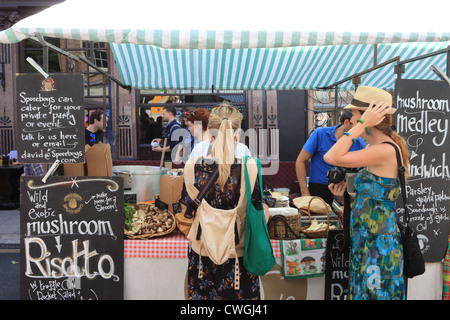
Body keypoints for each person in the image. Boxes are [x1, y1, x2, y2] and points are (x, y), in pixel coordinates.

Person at [324, 86, 409, 300]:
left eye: (354, 115)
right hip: (368, 241)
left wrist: (361, 125)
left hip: (378, 246)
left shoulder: (386, 150)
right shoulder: (377, 149)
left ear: (370, 118)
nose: (351, 121)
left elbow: (331, 156)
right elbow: (374, 200)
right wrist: (343, 197)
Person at [180, 103, 267, 300]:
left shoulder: (192, 167)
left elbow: (185, 208)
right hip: (237, 257)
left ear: (209, 134)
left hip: (202, 257)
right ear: (237, 134)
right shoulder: (250, 168)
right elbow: (262, 210)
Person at [295, 109, 366, 207]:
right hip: (318, 189)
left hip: (343, 189)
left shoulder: (359, 143)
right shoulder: (320, 134)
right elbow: (300, 160)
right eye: (358, 126)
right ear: (346, 123)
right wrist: (305, 193)